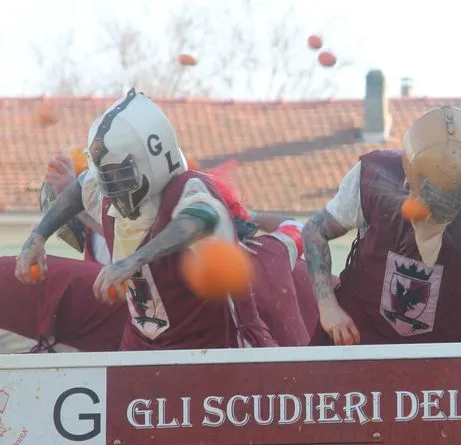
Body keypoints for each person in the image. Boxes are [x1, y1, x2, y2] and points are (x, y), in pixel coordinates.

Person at [15, 88, 274, 351]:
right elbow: (81, 187)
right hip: (143, 342)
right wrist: (38, 236)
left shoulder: (189, 188)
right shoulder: (107, 190)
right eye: (107, 176)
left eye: (120, 173)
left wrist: (134, 260)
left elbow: (198, 220)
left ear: (152, 161)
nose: (112, 186)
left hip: (210, 346)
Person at [303, 105, 461, 345]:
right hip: (354, 344)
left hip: (443, 358)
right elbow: (315, 231)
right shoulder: (374, 176)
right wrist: (328, 308)